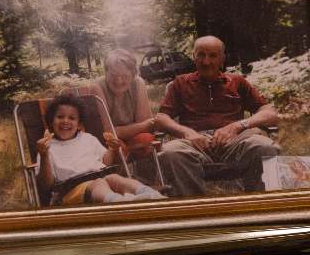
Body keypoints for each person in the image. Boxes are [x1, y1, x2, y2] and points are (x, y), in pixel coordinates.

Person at [155, 36, 281, 197]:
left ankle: (260, 208)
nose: (206, 61)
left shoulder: (237, 82)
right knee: (170, 152)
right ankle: (195, 212)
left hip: (235, 142)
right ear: (194, 57)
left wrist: (237, 126)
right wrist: (187, 133)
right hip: (195, 146)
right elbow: (161, 119)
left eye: (213, 55)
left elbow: (270, 114)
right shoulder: (181, 82)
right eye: (201, 55)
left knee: (264, 146)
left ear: (222, 59)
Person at [36, 93, 165, 205]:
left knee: (115, 178)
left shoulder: (87, 138)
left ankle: (151, 195)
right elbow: (46, 184)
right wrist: (44, 155)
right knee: (99, 183)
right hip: (70, 190)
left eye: (72, 118)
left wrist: (111, 149)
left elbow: (105, 163)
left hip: (100, 178)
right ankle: (118, 203)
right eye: (60, 117)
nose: (65, 121)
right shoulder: (48, 147)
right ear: (51, 122)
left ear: (80, 124)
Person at [88, 48, 157, 159]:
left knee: (147, 140)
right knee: (116, 147)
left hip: (132, 136)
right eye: (113, 75)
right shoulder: (97, 87)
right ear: (106, 72)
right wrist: (141, 126)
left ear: (133, 74)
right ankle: (121, 177)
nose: (118, 81)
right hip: (107, 140)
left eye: (124, 76)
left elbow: (147, 124)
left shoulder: (138, 82)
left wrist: (120, 130)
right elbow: (107, 132)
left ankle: (143, 177)